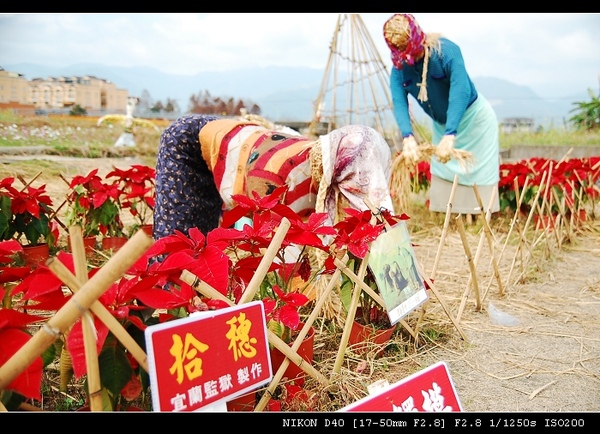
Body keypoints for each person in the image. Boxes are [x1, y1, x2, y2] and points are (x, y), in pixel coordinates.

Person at [153, 114, 395, 240]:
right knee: (180, 237)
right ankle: (170, 311)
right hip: (187, 140)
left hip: (237, 134)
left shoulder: (339, 159)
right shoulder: (282, 176)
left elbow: (376, 217)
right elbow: (270, 233)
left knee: (205, 239)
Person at [383, 13, 500, 215]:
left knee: (479, 171)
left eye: (416, 56)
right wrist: (407, 136)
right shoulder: (400, 67)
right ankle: (450, 220)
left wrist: (451, 133)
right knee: (443, 169)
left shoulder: (447, 52)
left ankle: (481, 221)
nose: (413, 61)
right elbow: (399, 100)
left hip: (473, 120)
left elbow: (460, 90)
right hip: (443, 125)